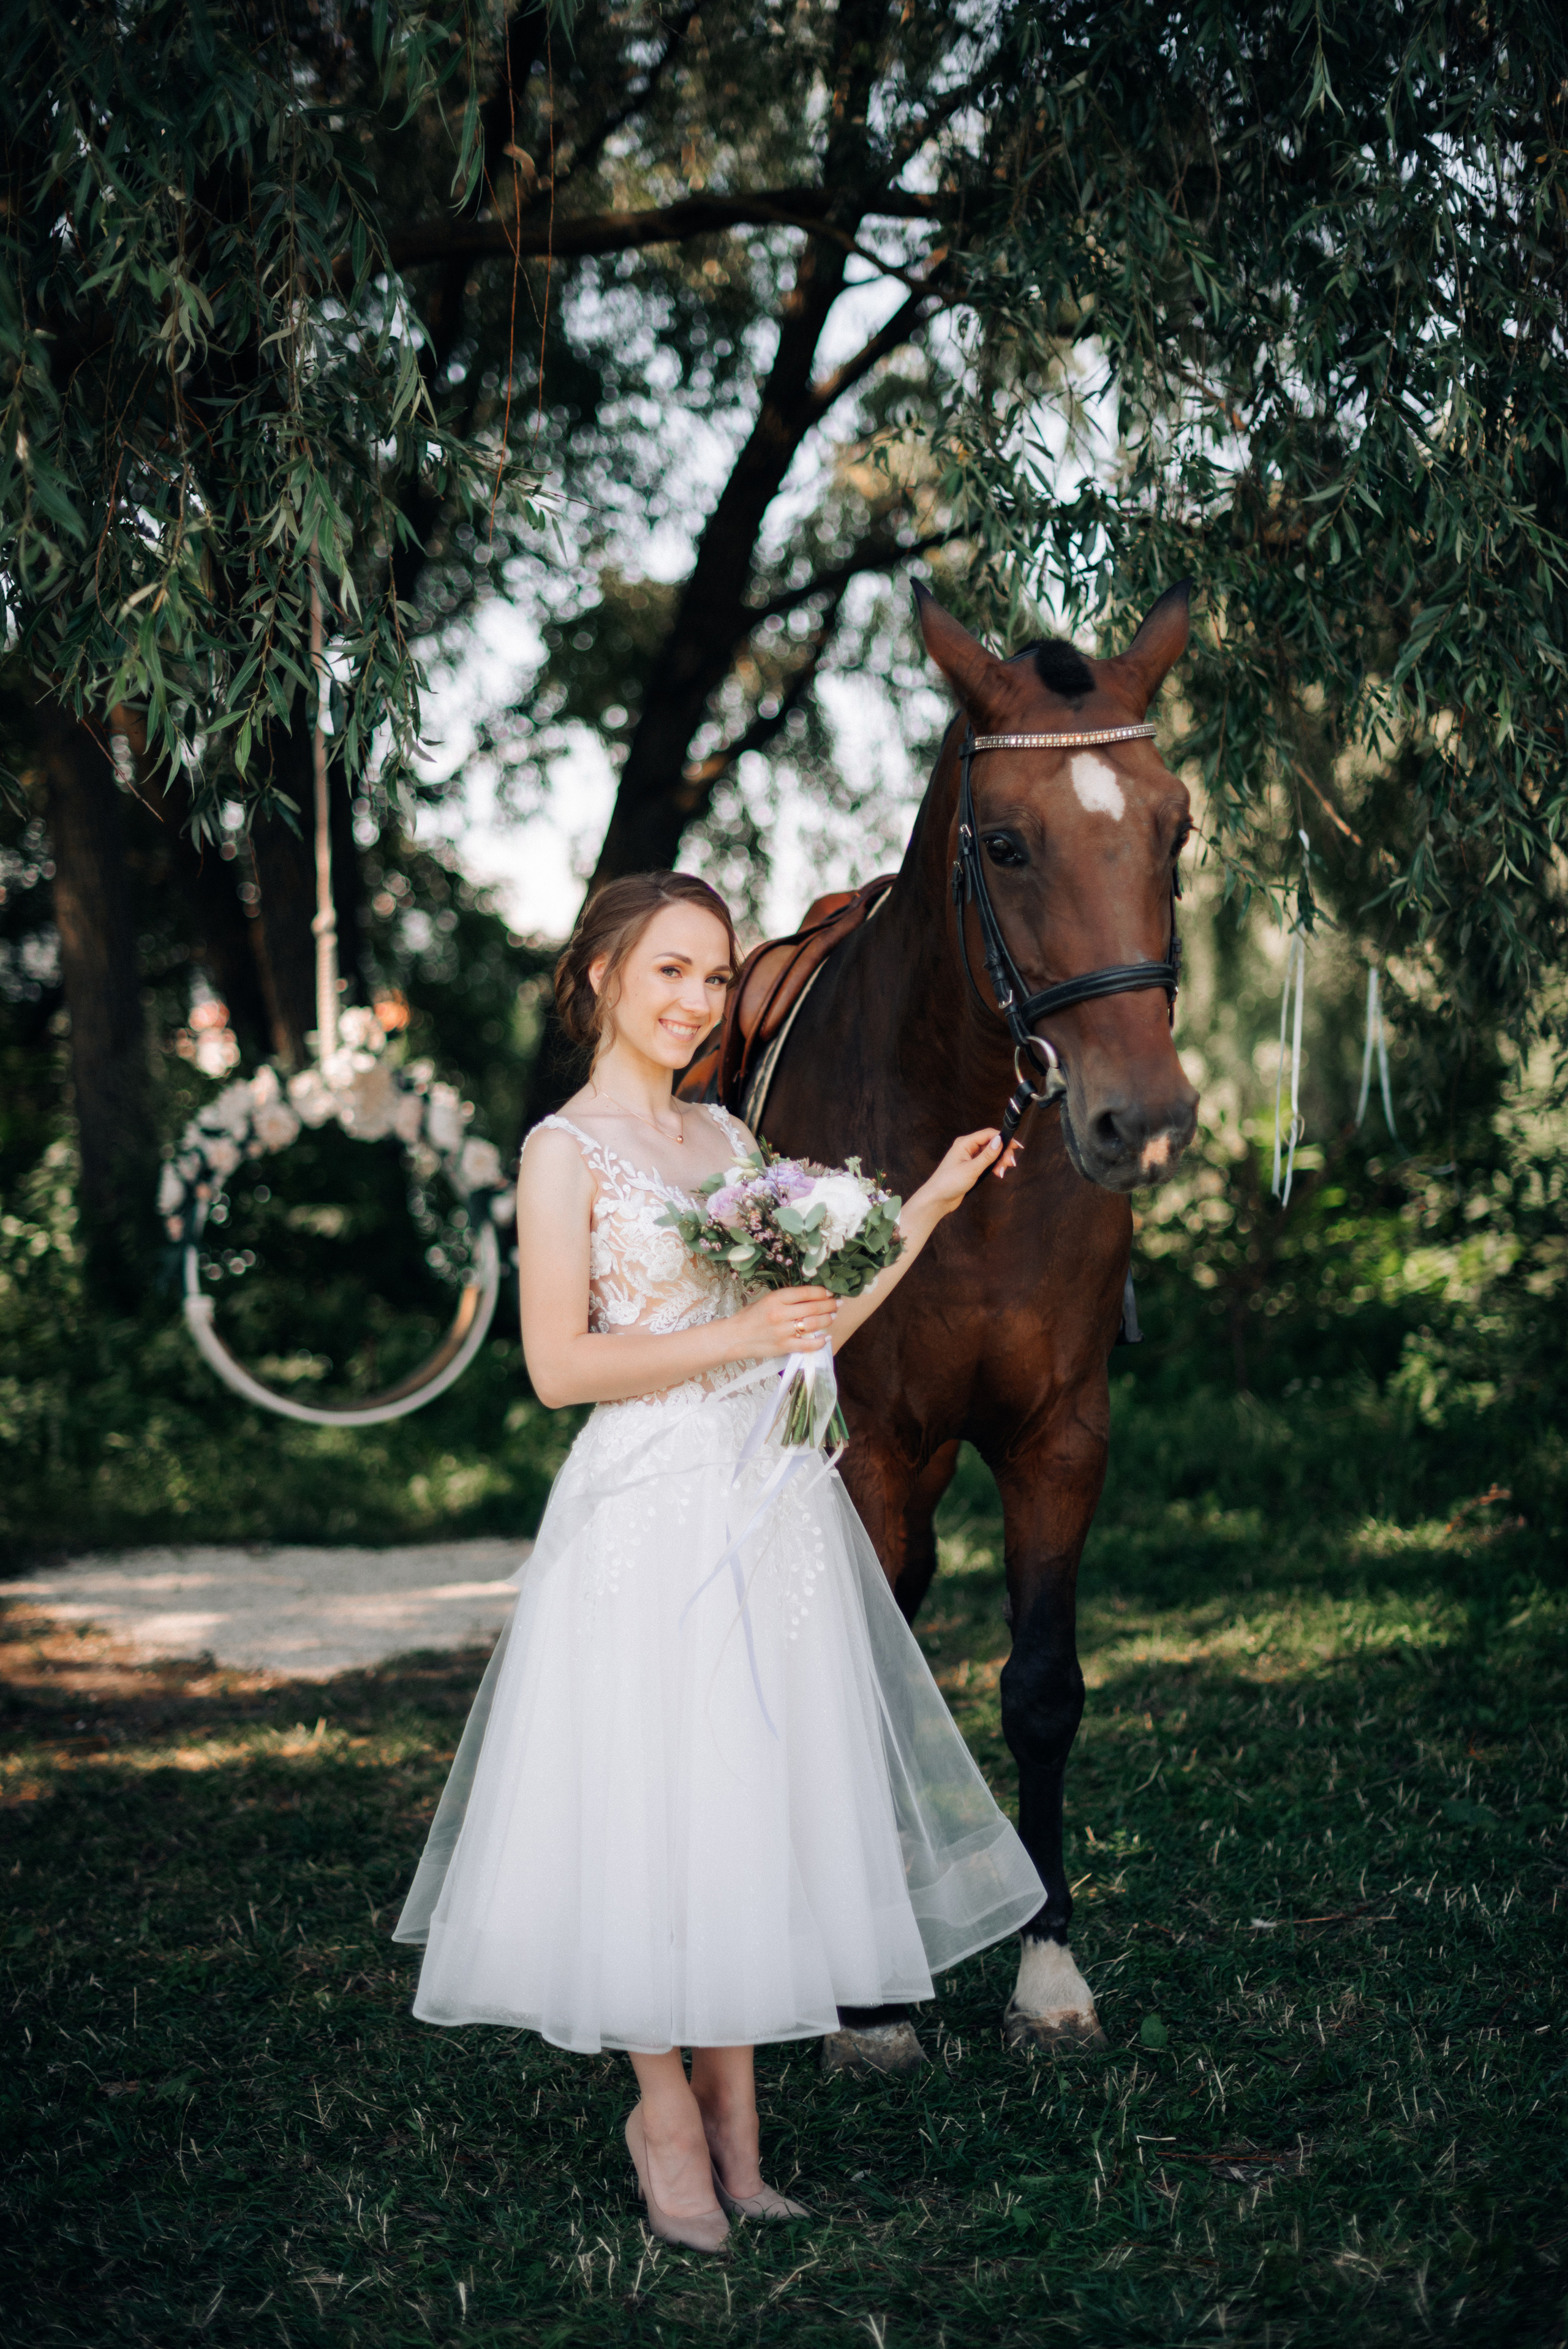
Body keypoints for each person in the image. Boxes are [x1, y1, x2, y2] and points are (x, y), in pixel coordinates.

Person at [394, 870, 1043, 2253]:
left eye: (715, 974)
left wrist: (927, 1205)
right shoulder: (563, 1152)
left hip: (771, 1506)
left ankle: (739, 2123)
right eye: (670, 971)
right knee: (650, 1805)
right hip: (646, 1513)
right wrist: (733, 1338)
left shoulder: (727, 1135)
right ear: (602, 978)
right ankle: (664, 2116)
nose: (697, 1001)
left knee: (748, 1801)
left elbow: (808, 1324)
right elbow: (559, 1367)